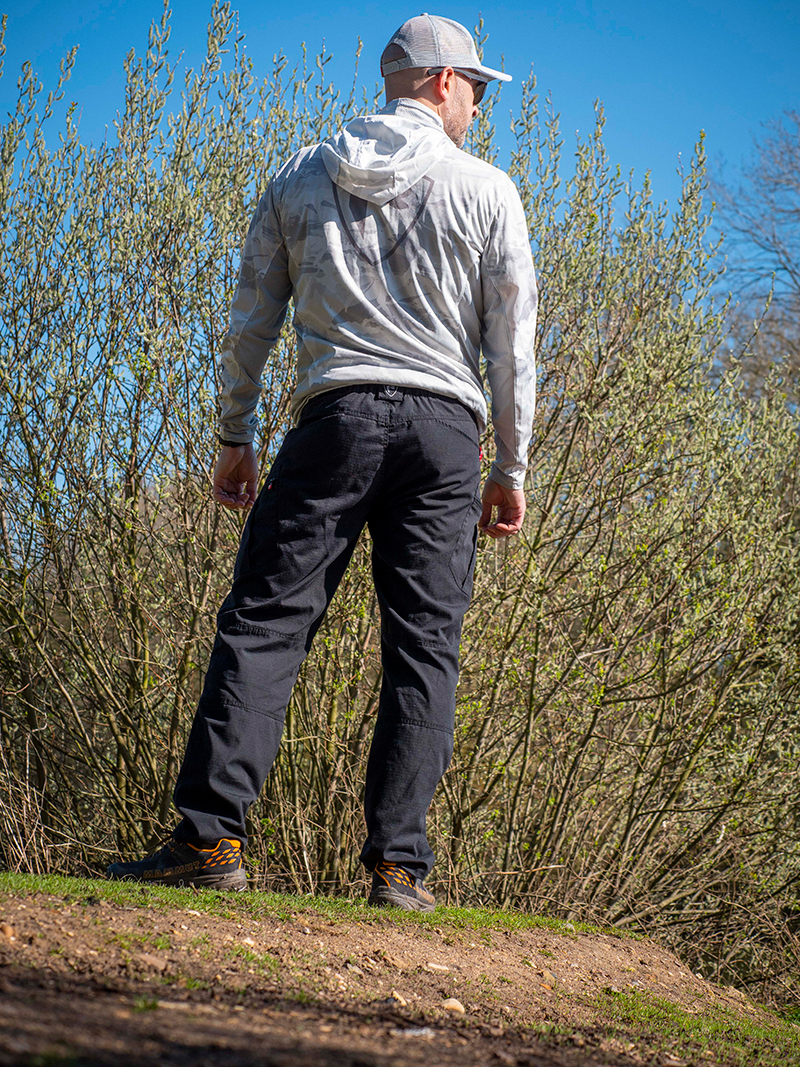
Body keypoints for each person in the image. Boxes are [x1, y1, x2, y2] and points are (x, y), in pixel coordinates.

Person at [107, 12, 537, 912]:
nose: (479, 108)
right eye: (477, 90)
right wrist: (510, 465)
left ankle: (210, 839)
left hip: (334, 417)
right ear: (444, 82)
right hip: (445, 434)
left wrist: (234, 433)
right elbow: (512, 342)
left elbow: (251, 316)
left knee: (265, 620)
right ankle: (399, 870)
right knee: (425, 647)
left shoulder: (300, 176)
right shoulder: (486, 189)